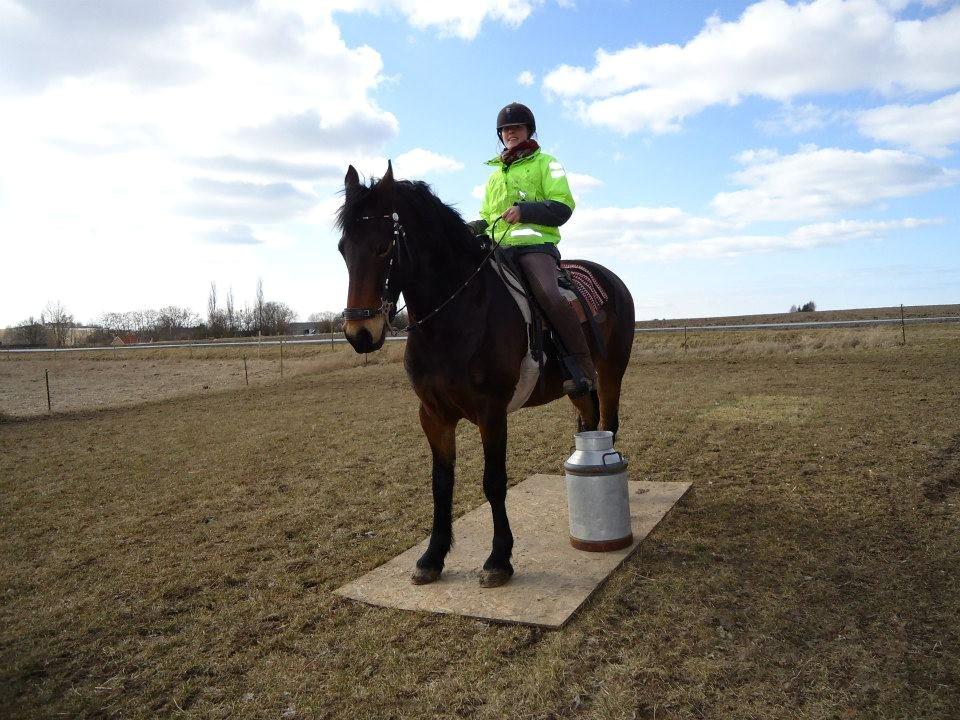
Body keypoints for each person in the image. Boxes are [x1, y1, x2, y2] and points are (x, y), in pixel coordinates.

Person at [469, 102, 597, 397]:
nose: (511, 132)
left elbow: (563, 206)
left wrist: (525, 210)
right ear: (500, 135)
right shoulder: (493, 177)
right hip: (499, 249)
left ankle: (584, 368)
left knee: (549, 296)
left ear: (528, 131)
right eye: (505, 129)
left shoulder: (547, 163)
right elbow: (490, 217)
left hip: (535, 247)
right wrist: (476, 227)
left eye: (516, 128)